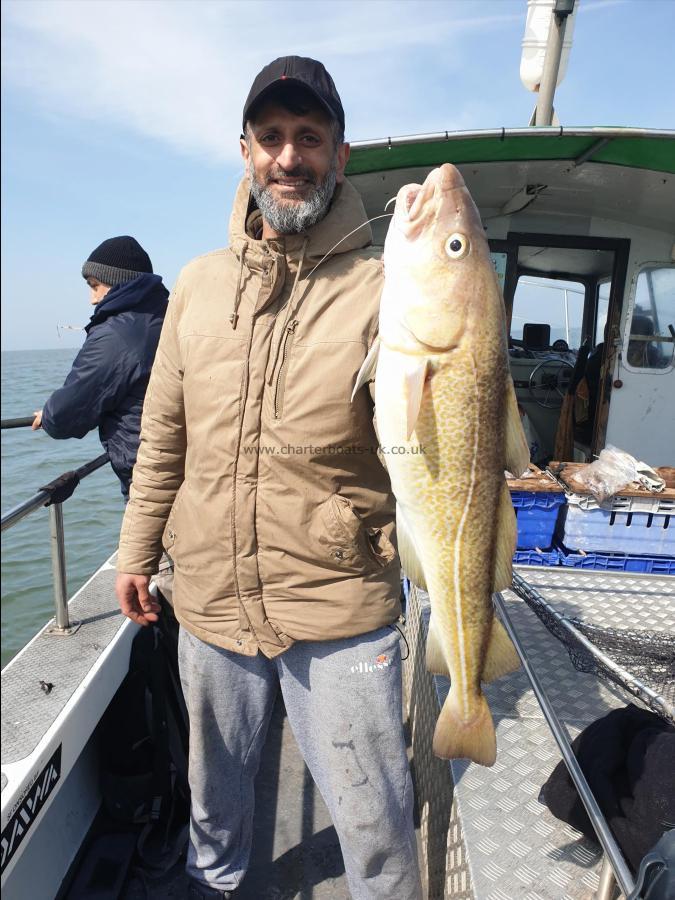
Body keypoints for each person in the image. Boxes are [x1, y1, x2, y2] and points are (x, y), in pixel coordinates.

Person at [115, 56, 423, 900]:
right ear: (244, 151)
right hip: (209, 595)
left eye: (310, 138)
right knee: (214, 802)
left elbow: (430, 446)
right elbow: (164, 438)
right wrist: (135, 554)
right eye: (272, 138)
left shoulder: (388, 292)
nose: (289, 157)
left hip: (340, 603)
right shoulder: (196, 286)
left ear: (341, 155)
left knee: (376, 818)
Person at [32, 236, 169, 499]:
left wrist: (48, 415)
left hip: (150, 481)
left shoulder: (117, 334)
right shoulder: (167, 317)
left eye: (95, 286)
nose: (92, 299)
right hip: (181, 470)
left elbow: (68, 414)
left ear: (119, 283)